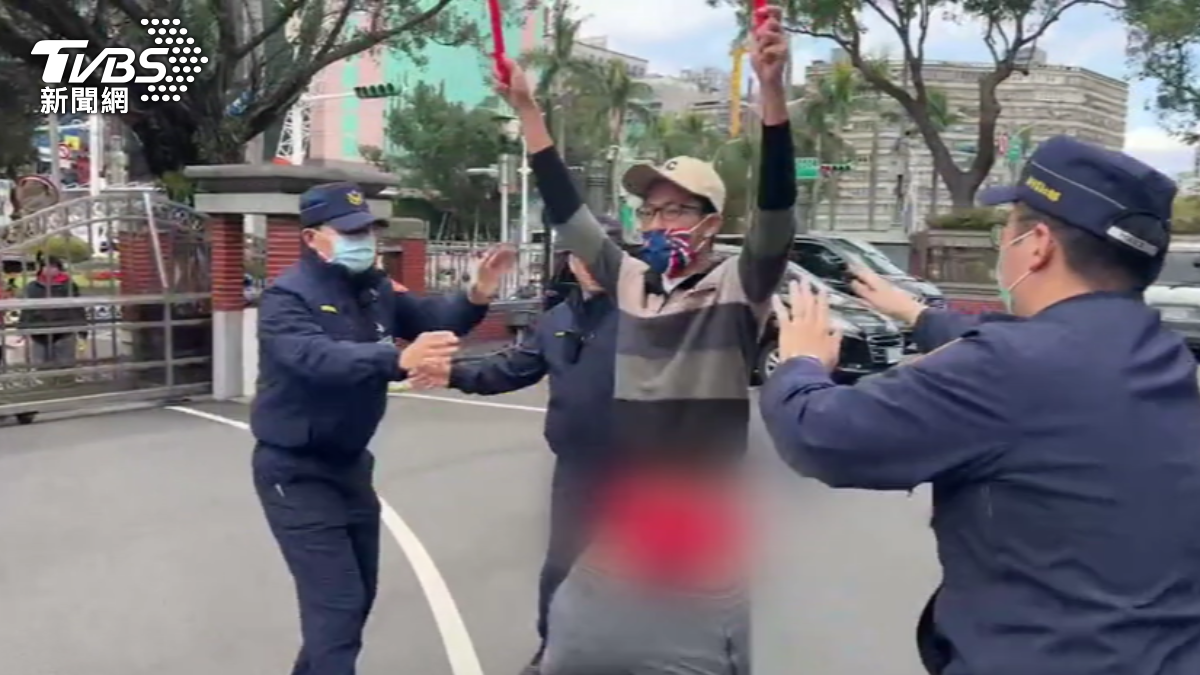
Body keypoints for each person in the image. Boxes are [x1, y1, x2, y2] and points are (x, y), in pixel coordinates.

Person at [761, 135, 1200, 675]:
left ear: (1038, 245)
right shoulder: (1164, 355)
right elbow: (1037, 346)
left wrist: (800, 362)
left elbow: (823, 436)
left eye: (1006, 231)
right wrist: (917, 315)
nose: (1003, 246)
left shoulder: (1008, 369)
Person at [493, 7, 794, 673]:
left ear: (711, 223)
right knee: (578, 649)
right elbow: (568, 213)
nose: (657, 223)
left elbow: (777, 213)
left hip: (701, 527)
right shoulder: (628, 279)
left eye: (676, 209)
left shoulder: (739, 286)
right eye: (650, 210)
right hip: (623, 514)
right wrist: (529, 112)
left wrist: (772, 92)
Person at [251, 181, 515, 675]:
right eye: (350, 232)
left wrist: (476, 292)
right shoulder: (286, 297)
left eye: (368, 230)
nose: (364, 241)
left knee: (357, 598)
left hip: (350, 465)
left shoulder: (375, 288)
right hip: (295, 471)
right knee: (337, 607)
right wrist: (395, 359)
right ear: (311, 237)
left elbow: (433, 319)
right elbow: (315, 357)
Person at [428, 218, 625, 674]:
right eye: (579, 254)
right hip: (576, 472)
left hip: (637, 472)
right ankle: (551, 652)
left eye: (599, 254)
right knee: (562, 569)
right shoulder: (558, 320)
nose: (589, 264)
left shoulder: (648, 317)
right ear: (569, 261)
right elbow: (512, 368)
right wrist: (453, 372)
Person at [19, 256, 86, 370]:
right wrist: (22, 328)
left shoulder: (69, 286)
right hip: (38, 332)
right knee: (40, 366)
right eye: (45, 266)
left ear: (59, 269)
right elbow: (27, 309)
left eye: (53, 266)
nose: (49, 269)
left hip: (64, 331)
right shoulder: (32, 287)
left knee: (65, 365)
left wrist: (82, 330)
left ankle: (65, 379)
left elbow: (77, 308)